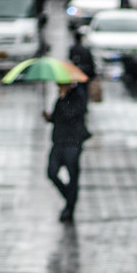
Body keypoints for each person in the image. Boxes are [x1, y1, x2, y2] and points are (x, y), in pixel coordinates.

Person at [43, 81, 90, 223]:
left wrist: (63, 98)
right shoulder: (61, 98)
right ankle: (70, 198)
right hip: (58, 141)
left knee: (72, 175)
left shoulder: (79, 96)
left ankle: (69, 208)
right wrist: (49, 118)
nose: (59, 87)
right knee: (52, 172)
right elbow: (59, 117)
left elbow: (71, 114)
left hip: (72, 142)